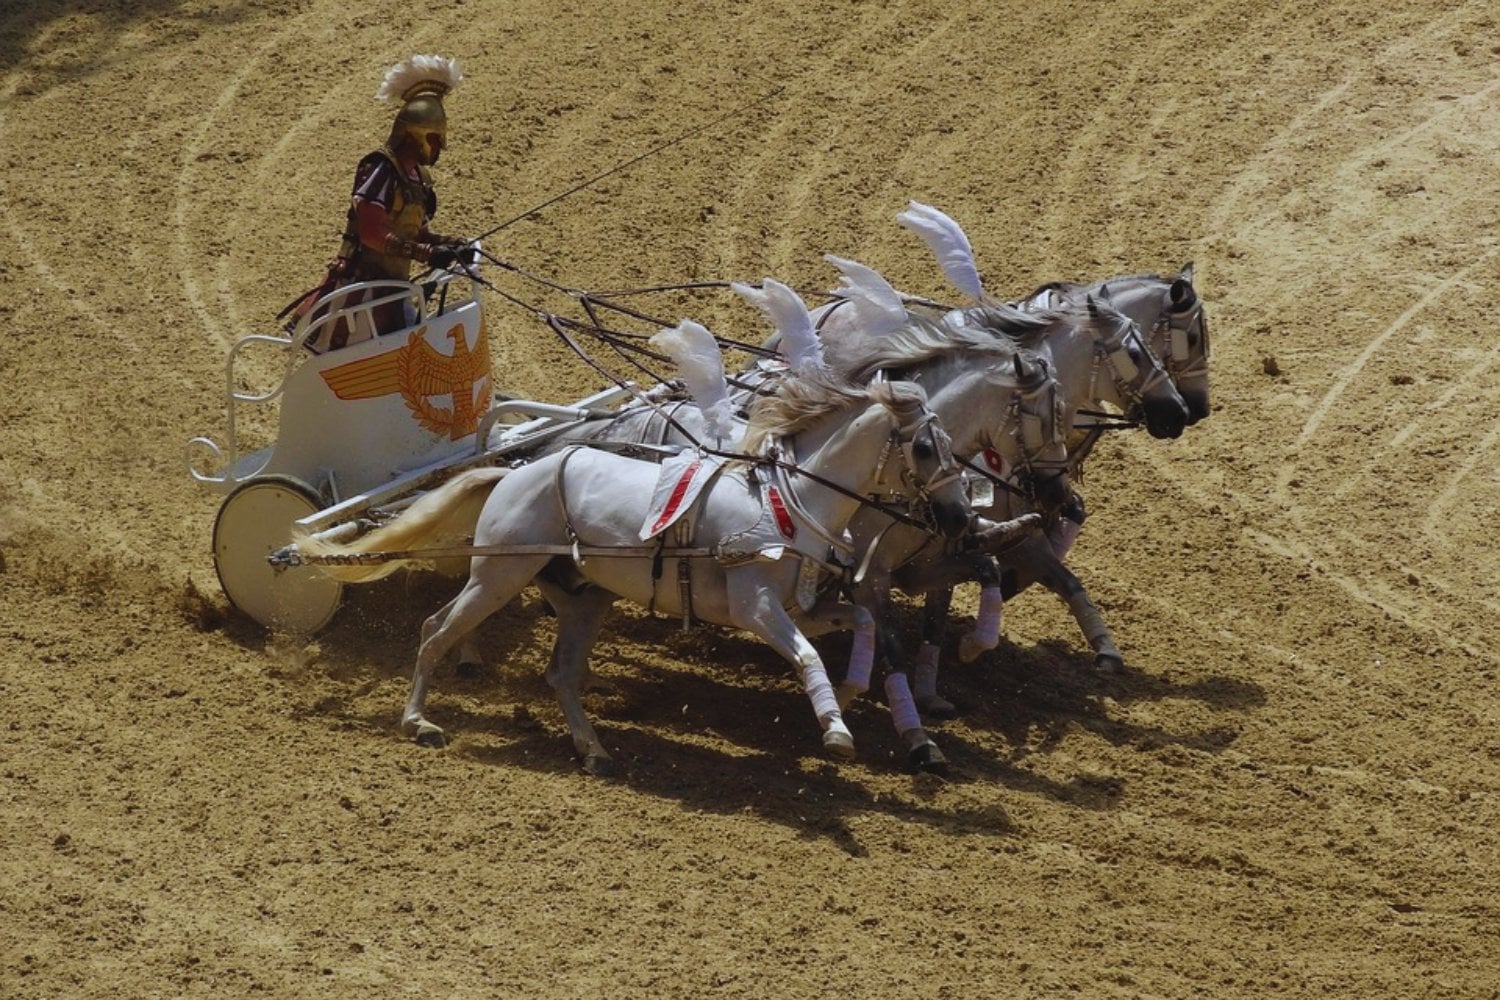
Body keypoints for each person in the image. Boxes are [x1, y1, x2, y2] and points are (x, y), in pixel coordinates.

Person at [286, 54, 470, 352]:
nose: (440, 147)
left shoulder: (418, 178)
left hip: (392, 290)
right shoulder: (381, 169)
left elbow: (416, 232)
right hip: (362, 291)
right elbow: (372, 233)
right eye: (434, 138)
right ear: (414, 135)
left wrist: (447, 244)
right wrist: (423, 252)